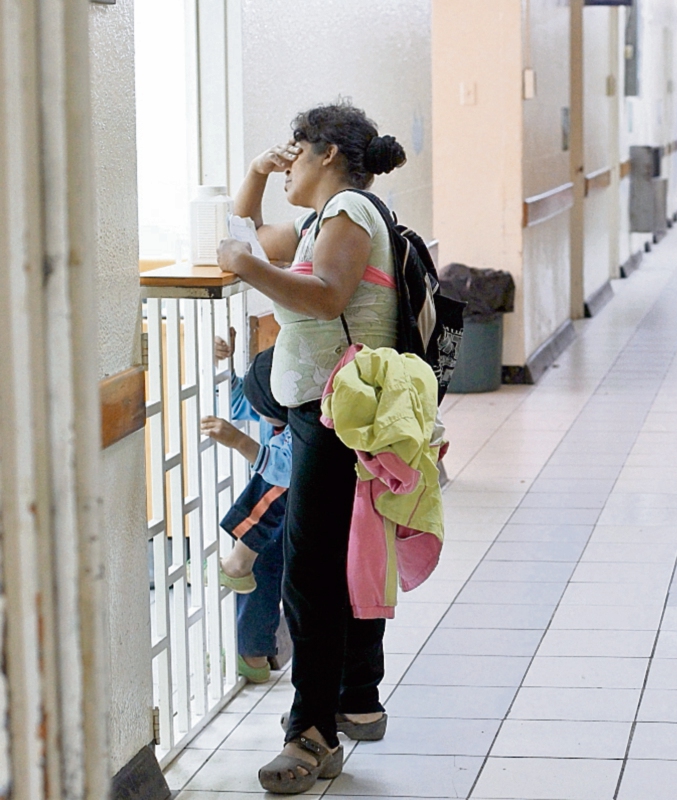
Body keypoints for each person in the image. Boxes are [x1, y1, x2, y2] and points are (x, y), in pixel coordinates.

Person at [216, 102, 408, 794]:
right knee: (334, 564)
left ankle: (312, 732)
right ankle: (348, 703)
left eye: (294, 150)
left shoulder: (350, 212)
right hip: (324, 412)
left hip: (334, 417)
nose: (286, 159)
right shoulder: (326, 219)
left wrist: (243, 269)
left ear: (328, 153)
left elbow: (325, 295)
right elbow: (252, 240)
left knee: (312, 575)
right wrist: (254, 176)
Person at [201, 336, 291, 684]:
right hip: (278, 518)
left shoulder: (301, 428)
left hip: (298, 511)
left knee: (270, 492)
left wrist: (241, 441)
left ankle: (250, 649)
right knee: (262, 562)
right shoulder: (277, 406)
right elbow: (238, 400)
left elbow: (284, 469)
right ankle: (251, 652)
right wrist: (225, 366)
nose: (256, 413)